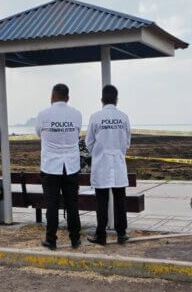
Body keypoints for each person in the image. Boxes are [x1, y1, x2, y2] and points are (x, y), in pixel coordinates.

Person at [35, 83, 83, 250]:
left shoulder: (43, 114)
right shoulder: (76, 114)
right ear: (67, 98)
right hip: (71, 166)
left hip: (50, 167)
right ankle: (75, 239)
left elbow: (38, 133)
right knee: (72, 205)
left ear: (52, 96)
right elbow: (76, 133)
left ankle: (51, 239)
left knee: (52, 205)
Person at [85, 85, 131, 245]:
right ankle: (121, 233)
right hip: (118, 163)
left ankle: (101, 235)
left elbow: (89, 142)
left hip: (101, 164)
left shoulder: (95, 117)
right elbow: (127, 142)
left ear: (102, 100)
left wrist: (98, 153)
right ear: (116, 99)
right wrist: (117, 152)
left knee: (101, 202)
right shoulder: (123, 117)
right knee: (120, 201)